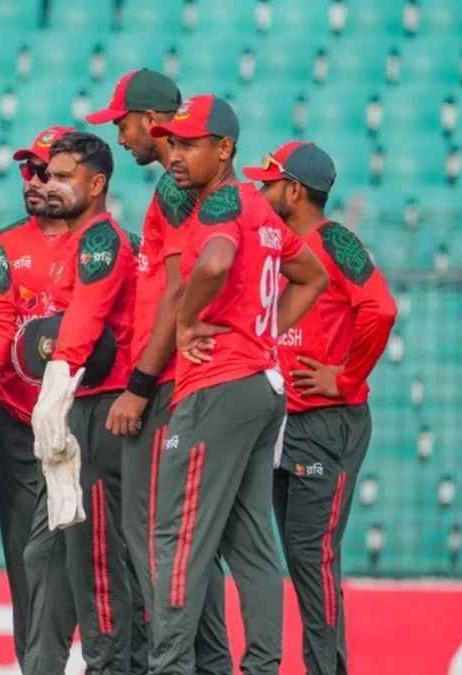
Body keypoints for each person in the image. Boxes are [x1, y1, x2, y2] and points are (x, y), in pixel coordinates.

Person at [147, 95, 329, 675]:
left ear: (224, 148)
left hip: (218, 386)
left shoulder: (222, 202)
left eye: (190, 144)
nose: (177, 155)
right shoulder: (258, 205)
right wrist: (265, 333)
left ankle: (170, 666)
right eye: (173, 143)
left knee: (178, 536)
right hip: (261, 385)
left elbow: (215, 263)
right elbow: (312, 276)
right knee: (251, 546)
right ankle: (262, 667)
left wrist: (184, 321)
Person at [88, 68, 233, 674]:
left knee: (152, 533)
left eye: (122, 124)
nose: (120, 138)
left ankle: (180, 663)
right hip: (189, 379)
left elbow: (176, 292)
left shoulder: (174, 188)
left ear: (152, 121)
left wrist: (140, 386)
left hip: (168, 381)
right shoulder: (189, 186)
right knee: (187, 540)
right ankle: (208, 662)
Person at [245, 141, 397, 675]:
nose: (260, 191)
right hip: (286, 421)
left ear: (294, 190)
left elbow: (382, 308)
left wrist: (346, 377)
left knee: (313, 556)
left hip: (325, 422)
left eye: (268, 183)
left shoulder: (335, 240)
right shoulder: (282, 246)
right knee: (300, 555)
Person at [25, 132, 136, 675]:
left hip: (100, 407)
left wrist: (56, 384)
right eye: (49, 175)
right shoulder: (75, 242)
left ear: (96, 185)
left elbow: (87, 317)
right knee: (63, 553)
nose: (51, 184)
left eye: (65, 176)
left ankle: (110, 665)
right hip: (84, 404)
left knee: (97, 556)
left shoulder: (100, 241)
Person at [0, 124, 78, 668]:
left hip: (81, 426)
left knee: (88, 565)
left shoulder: (103, 245)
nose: (35, 180)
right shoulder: (1, 248)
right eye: (29, 170)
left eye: (47, 172)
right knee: (25, 564)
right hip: (19, 424)